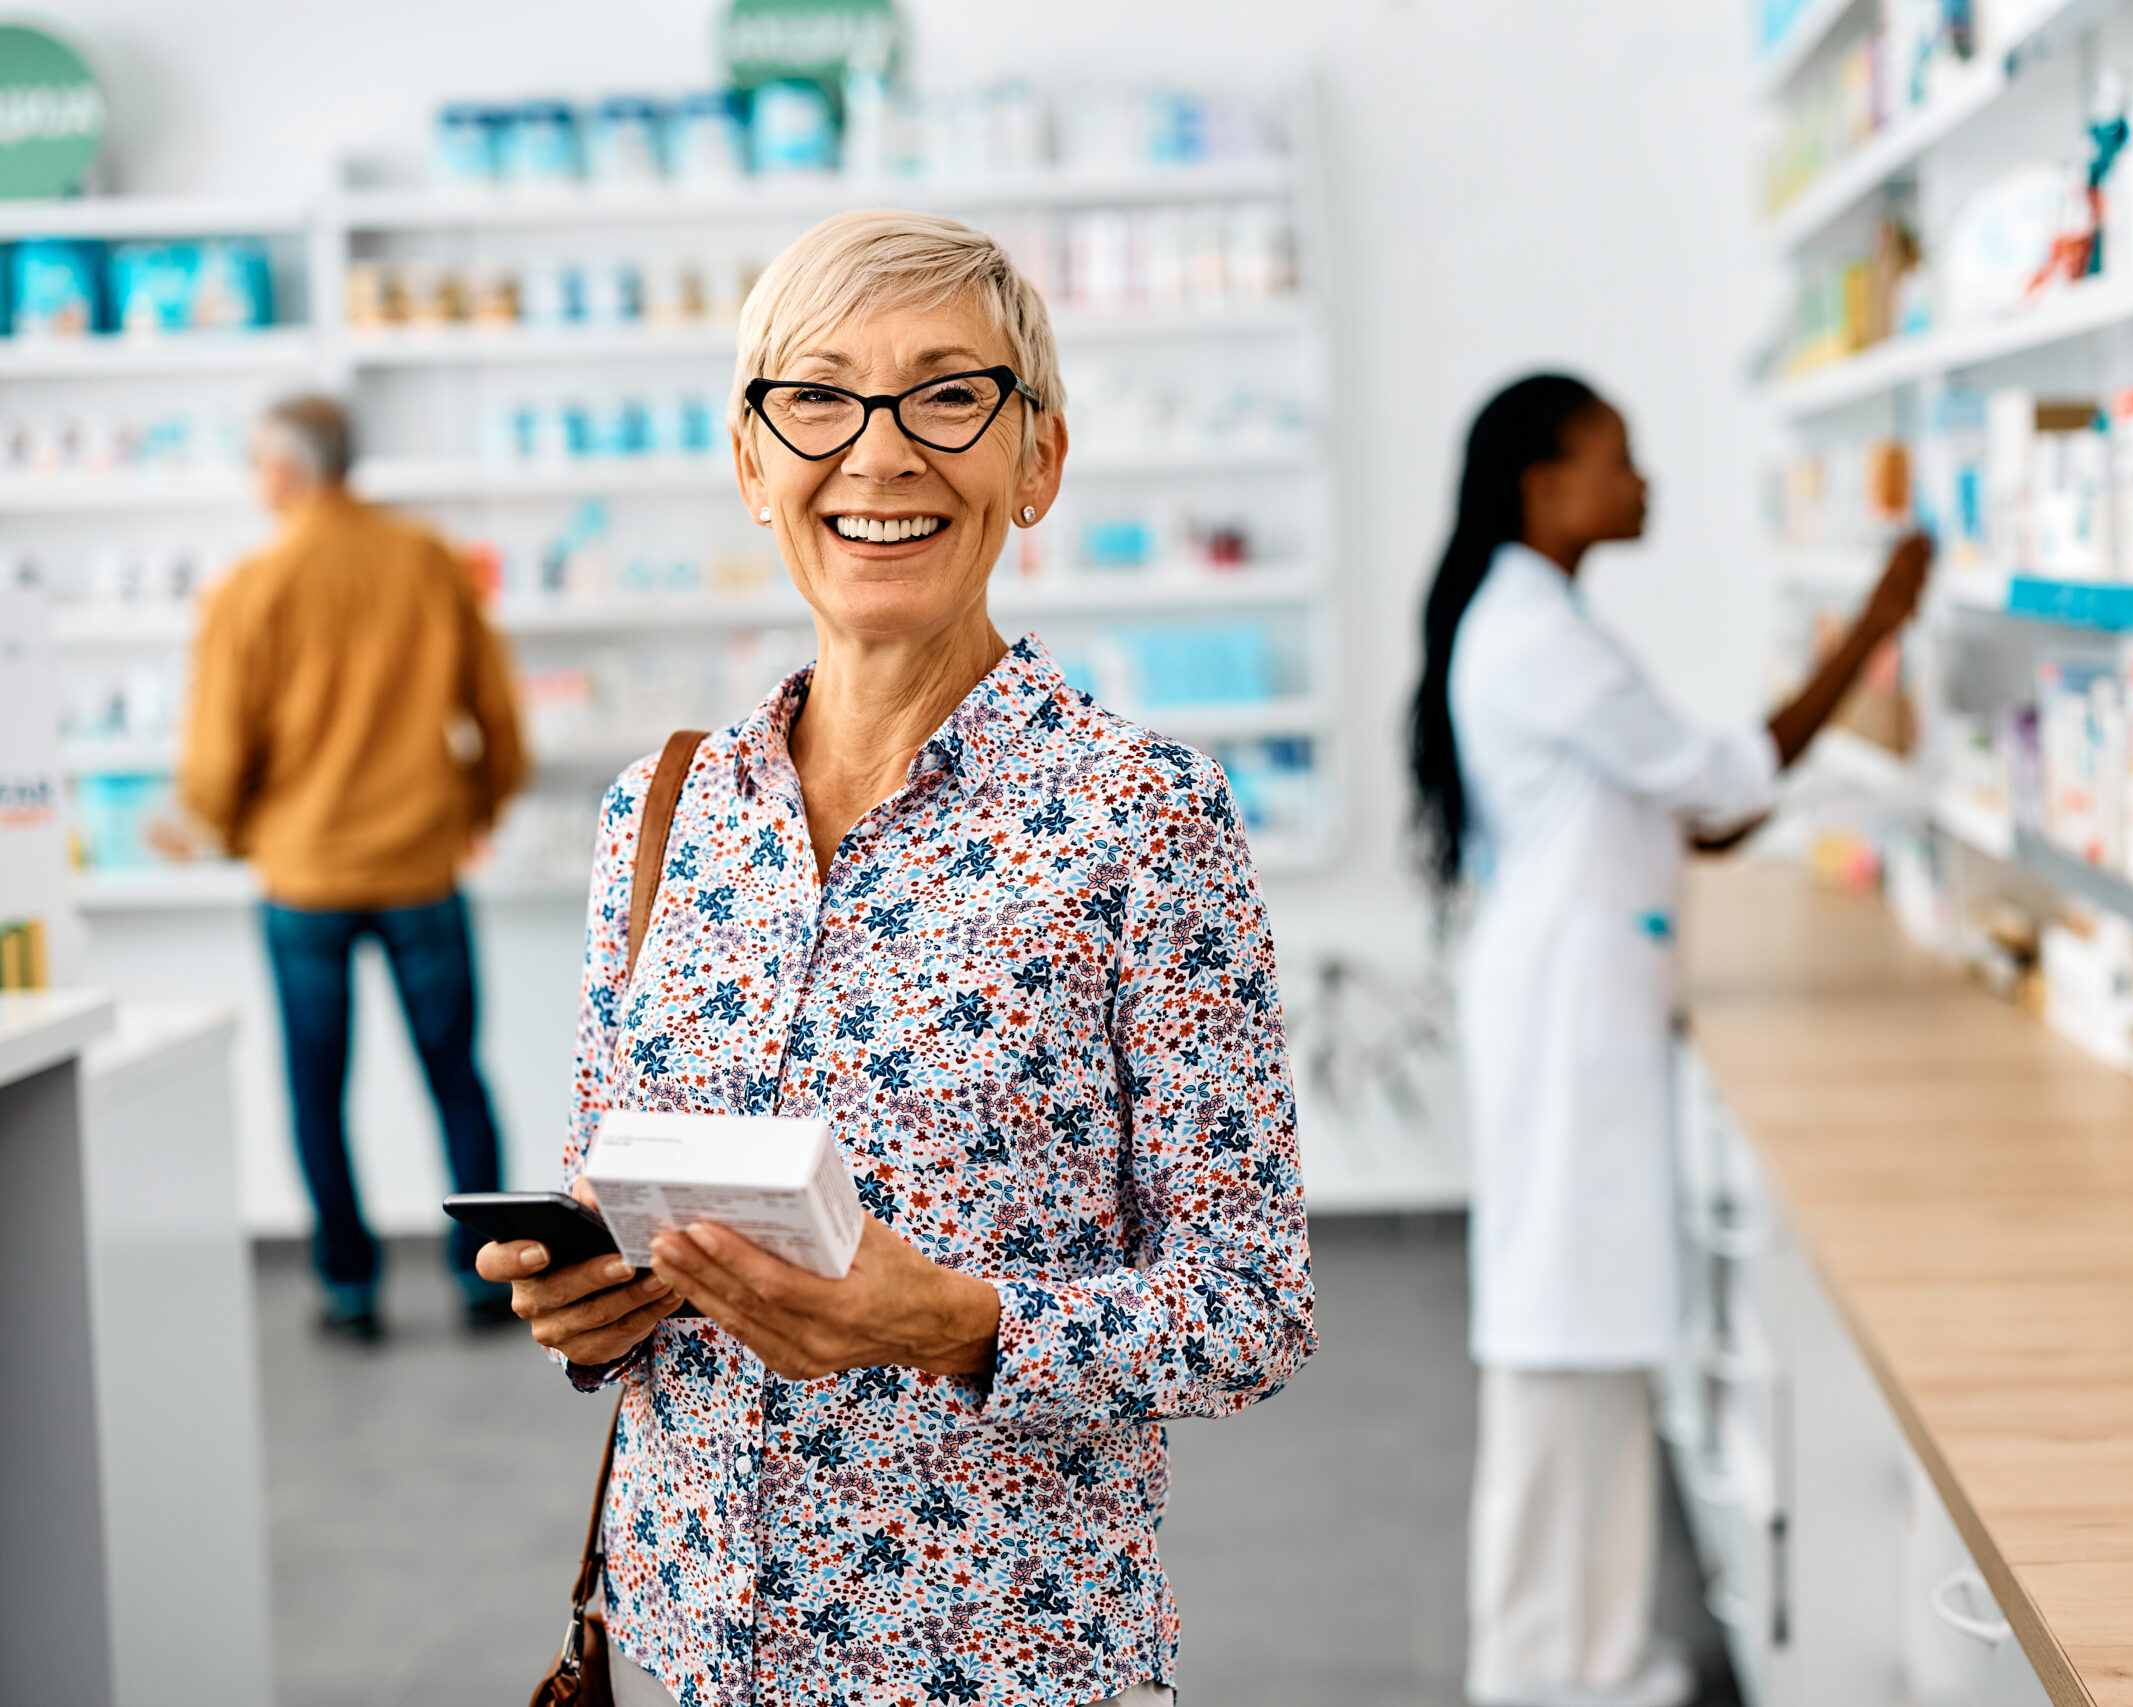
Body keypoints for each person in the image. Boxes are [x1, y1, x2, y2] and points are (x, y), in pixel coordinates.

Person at [473, 210, 1316, 1707]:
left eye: (947, 392)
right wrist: (584, 1304)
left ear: (1036, 460)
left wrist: (955, 1320)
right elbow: (613, 1188)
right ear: (750, 462)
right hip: (686, 1648)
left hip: (999, 1656)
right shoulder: (661, 815)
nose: (877, 453)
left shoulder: (1140, 820)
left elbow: (1250, 1303)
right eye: (816, 396)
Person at [1409, 374, 1929, 1707]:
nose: (1644, 483)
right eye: (1619, 460)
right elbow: (1723, 782)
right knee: (1560, 1332)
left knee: (1588, 1328)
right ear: (1545, 483)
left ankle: (1576, 1652)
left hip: (1578, 993)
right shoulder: (1536, 634)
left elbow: (1701, 812)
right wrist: (1875, 620)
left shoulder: (1541, 619)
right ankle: (1544, 1661)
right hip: (1567, 1006)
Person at [175, 394, 527, 1342]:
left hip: (303, 878)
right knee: (456, 1074)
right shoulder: (427, 561)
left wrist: (231, 829)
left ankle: (347, 1283)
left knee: (316, 1087)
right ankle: (488, 1274)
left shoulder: (252, 587)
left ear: (285, 473)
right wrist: (478, 807)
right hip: (423, 865)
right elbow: (497, 716)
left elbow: (213, 762)